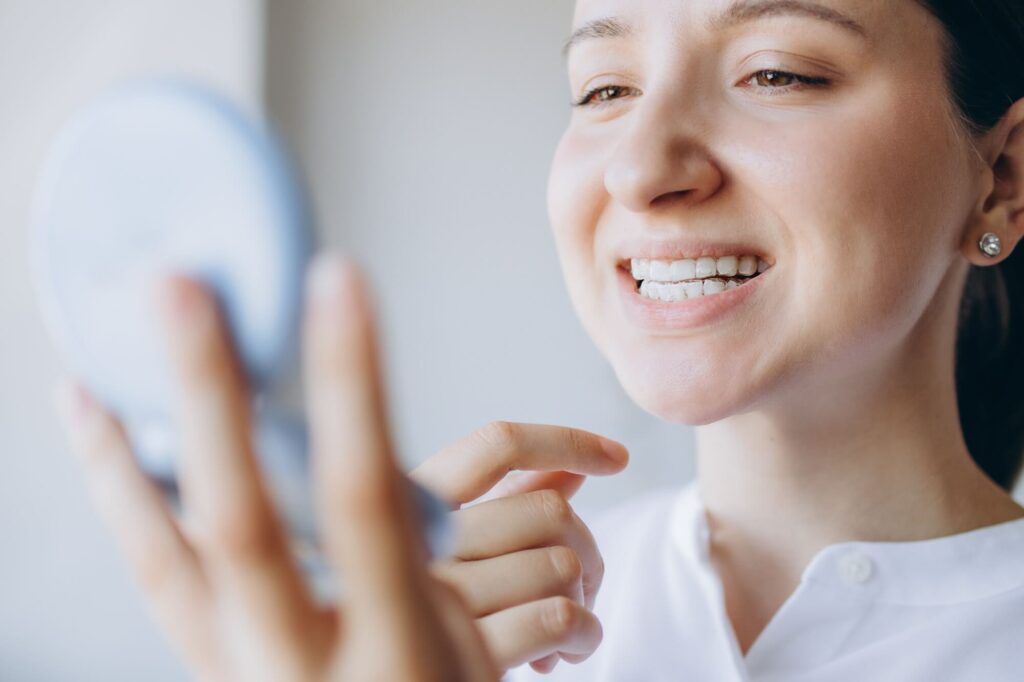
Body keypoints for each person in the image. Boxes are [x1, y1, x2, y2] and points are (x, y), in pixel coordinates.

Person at [53, 0, 1024, 680]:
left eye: (776, 71)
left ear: (1004, 179)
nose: (639, 166)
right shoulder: (461, 637)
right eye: (603, 90)